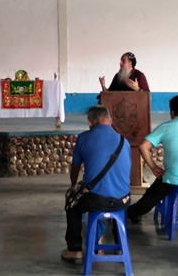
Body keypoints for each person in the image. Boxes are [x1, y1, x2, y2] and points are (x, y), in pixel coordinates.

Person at [61, 106, 131, 263]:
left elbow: (75, 167)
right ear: (110, 121)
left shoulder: (84, 138)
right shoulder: (123, 140)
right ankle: (120, 246)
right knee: (116, 204)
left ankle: (74, 249)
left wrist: (73, 185)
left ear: (90, 122)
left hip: (96, 200)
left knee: (72, 204)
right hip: (123, 199)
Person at [126, 95, 178, 223]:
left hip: (172, 179)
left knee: (154, 191)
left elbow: (143, 146)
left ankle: (133, 213)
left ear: (172, 112)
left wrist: (154, 167)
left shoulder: (166, 127)